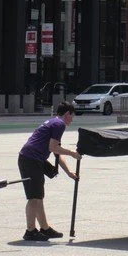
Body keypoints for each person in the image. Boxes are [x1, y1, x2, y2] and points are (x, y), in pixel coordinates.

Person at [18, 103, 77, 240]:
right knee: (34, 197)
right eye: (72, 116)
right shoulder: (59, 124)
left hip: (31, 158)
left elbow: (56, 152)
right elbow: (53, 148)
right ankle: (30, 231)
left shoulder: (54, 122)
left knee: (38, 196)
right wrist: (72, 153)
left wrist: (68, 172)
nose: (72, 120)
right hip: (31, 160)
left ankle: (45, 228)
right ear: (67, 113)